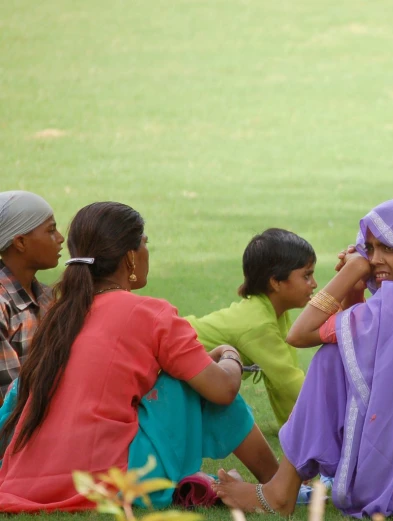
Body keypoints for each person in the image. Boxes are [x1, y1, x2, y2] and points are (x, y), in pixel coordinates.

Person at [213, 199, 393, 518]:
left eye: (388, 248)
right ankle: (281, 486)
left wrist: (352, 271)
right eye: (369, 249)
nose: (375, 260)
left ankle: (279, 493)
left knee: (330, 358)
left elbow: (300, 334)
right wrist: (356, 292)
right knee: (342, 352)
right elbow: (363, 340)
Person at [0, 202, 279, 512]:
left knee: (181, 373)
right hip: (107, 482)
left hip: (26, 481)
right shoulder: (150, 313)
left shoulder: (58, 314)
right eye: (145, 243)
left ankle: (271, 483)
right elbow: (223, 390)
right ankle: (278, 485)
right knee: (187, 382)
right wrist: (230, 355)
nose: (147, 251)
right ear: (130, 257)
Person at [185, 229, 314, 428]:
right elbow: (289, 382)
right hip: (170, 353)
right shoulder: (260, 324)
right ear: (276, 282)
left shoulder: (272, 311)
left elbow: (282, 379)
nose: (313, 284)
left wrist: (290, 428)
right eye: (306, 276)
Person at [0, 191, 64, 399]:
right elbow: (9, 398)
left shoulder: (46, 296)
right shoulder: (2, 304)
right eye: (51, 230)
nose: (60, 238)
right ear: (20, 242)